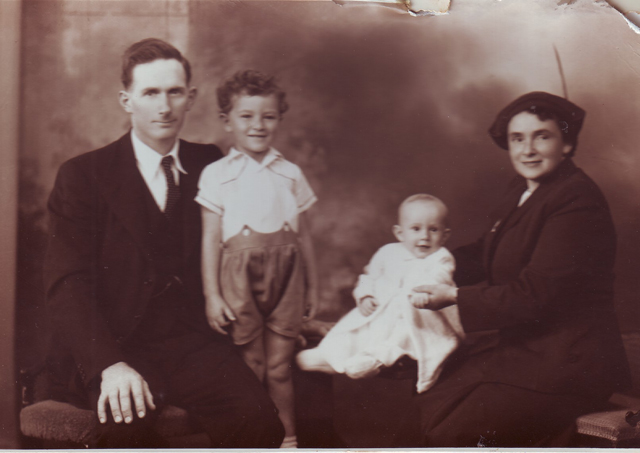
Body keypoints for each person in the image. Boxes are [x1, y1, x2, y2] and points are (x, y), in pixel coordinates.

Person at [43, 38, 284, 448]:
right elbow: (67, 285)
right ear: (126, 100)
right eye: (151, 93)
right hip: (118, 344)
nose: (164, 107)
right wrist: (110, 365)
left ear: (190, 97)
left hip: (192, 344)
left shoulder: (212, 163)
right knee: (125, 431)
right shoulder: (83, 175)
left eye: (174, 92)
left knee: (260, 423)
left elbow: (256, 242)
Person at [412, 92, 631, 447]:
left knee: (449, 429)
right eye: (517, 139)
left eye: (541, 136)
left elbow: (534, 296)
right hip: (526, 351)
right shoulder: (523, 189)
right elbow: (485, 251)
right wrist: (421, 266)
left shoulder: (577, 201)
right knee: (427, 393)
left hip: (569, 364)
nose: (527, 150)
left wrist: (452, 296)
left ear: (567, 144)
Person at [196, 69, 319, 449]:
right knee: (253, 365)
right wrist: (212, 296)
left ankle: (288, 441)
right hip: (238, 281)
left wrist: (314, 287)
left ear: (279, 118)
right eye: (246, 116)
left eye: (268, 116)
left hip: (288, 279)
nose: (258, 125)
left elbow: (305, 237)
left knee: (280, 368)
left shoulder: (291, 173)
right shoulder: (216, 175)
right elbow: (210, 239)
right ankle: (253, 442)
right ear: (227, 121)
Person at [297, 194, 465, 393]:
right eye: (416, 229)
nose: (425, 237)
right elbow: (369, 276)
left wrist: (425, 295)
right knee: (354, 330)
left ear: (445, 236)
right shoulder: (388, 253)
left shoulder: (441, 258)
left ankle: (374, 361)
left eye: (433, 230)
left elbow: (440, 278)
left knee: (401, 337)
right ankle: (328, 355)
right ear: (400, 233)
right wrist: (365, 296)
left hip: (419, 317)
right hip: (383, 312)